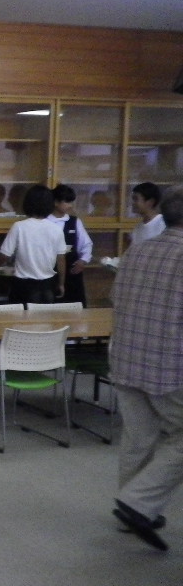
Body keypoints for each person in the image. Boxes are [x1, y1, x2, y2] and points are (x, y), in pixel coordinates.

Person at [108, 184, 183, 552]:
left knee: (138, 438)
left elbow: (115, 298)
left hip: (126, 358)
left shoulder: (138, 250)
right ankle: (138, 503)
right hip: (169, 367)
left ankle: (135, 512)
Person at [0, 184, 66, 306]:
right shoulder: (56, 229)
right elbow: (61, 260)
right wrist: (61, 284)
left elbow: (4, 255)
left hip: (23, 287)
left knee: (21, 317)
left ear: (27, 203)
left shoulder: (19, 226)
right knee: (46, 317)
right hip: (48, 286)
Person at [47, 184, 93, 306]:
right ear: (56, 202)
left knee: (75, 305)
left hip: (72, 270)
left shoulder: (74, 221)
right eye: (67, 202)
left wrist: (83, 260)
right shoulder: (45, 221)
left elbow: (86, 244)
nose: (70, 205)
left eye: (71, 202)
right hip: (50, 270)